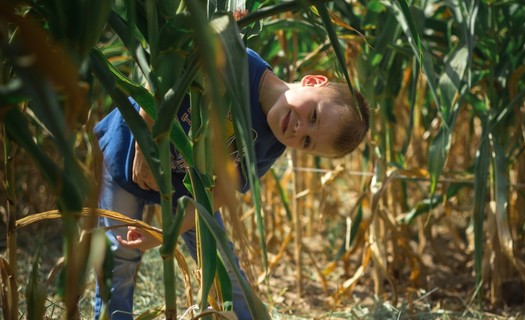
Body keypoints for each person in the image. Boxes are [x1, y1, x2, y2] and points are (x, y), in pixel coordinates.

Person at [93, 47, 369, 320]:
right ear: (312, 81)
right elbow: (164, 78)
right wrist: (146, 144)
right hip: (127, 152)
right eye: (313, 116)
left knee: (222, 266)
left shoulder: (272, 145)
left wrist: (166, 233)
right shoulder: (237, 61)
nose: (299, 130)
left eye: (307, 142)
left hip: (188, 191)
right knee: (119, 259)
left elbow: (219, 192)